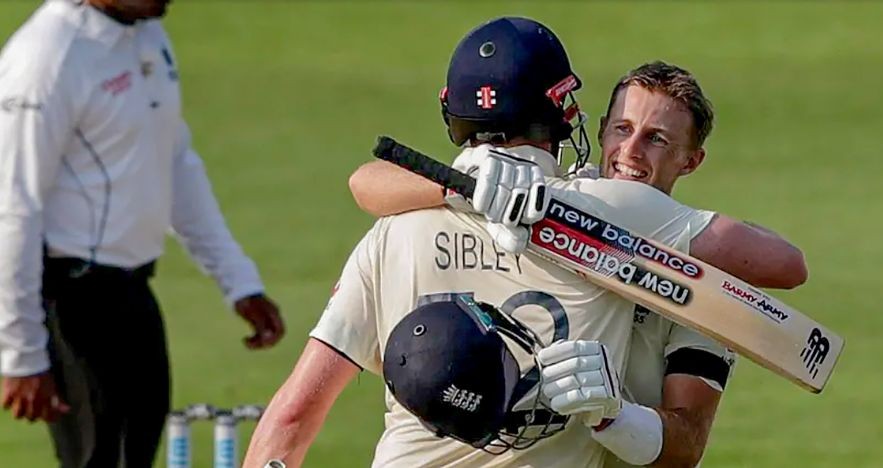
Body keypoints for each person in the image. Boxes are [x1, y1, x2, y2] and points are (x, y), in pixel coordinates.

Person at [347, 61, 808, 467]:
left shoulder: (700, 277)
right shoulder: (540, 201)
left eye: (657, 139)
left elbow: (686, 448)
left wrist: (616, 417)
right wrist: (465, 186)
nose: (630, 153)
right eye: (622, 130)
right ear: (603, 128)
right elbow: (367, 180)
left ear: (691, 161)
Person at [0, 0, 285, 466]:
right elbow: (13, 207)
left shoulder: (145, 34)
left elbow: (175, 163)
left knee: (136, 455)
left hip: (131, 294)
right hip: (69, 301)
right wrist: (21, 354)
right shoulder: (47, 56)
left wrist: (238, 279)